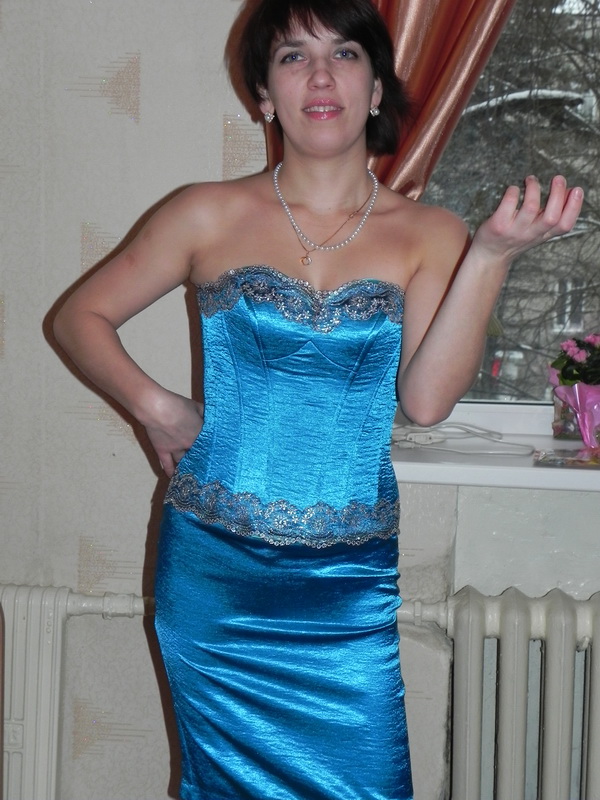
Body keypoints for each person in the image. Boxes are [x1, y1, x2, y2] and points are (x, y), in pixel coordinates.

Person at [52, 0, 583, 798]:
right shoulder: (205, 212)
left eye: (345, 53)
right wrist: (156, 406)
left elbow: (427, 402)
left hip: (346, 588)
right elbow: (77, 318)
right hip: (215, 578)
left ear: (376, 88)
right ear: (265, 95)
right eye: (293, 57)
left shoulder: (431, 233)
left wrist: (492, 257)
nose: (322, 75)